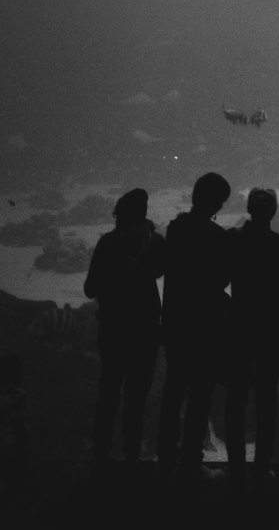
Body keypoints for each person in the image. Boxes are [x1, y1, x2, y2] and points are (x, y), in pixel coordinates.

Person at [156, 172, 232, 483]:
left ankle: (166, 460)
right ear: (216, 202)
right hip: (203, 327)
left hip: (175, 323)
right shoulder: (217, 236)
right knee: (200, 396)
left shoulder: (175, 229)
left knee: (173, 392)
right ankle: (190, 463)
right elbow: (221, 281)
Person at [84, 188, 166, 472]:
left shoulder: (108, 244)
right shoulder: (155, 242)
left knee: (107, 393)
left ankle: (102, 457)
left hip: (114, 329)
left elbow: (89, 288)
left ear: (119, 215)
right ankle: (132, 457)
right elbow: (158, 270)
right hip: (145, 332)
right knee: (136, 398)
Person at [224, 188, 279, 491]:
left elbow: (221, 278)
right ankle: (261, 468)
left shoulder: (234, 238)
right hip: (270, 329)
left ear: (249, 208)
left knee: (236, 398)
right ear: (274, 213)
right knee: (267, 400)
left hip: (240, 326)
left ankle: (236, 468)